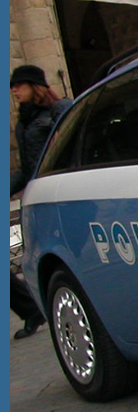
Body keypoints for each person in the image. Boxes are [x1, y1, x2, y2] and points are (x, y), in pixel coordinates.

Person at [10, 64, 71, 339]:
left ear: (34, 86)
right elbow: (26, 169)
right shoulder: (23, 123)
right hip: (39, 196)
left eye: (18, 85)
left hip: (64, 192)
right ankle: (37, 311)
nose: (13, 91)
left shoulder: (59, 110)